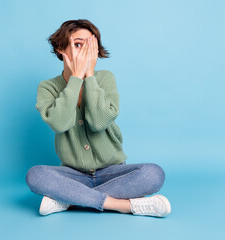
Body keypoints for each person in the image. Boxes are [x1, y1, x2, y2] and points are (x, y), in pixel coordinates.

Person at [25, 19, 171, 217]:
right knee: (35, 175)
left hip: (113, 173)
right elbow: (59, 124)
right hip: (73, 175)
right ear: (61, 48)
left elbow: (98, 122)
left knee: (154, 174)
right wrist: (76, 78)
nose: (84, 53)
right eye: (78, 45)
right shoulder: (47, 87)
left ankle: (69, 199)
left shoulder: (104, 78)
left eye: (90, 47)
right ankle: (125, 205)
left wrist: (89, 76)